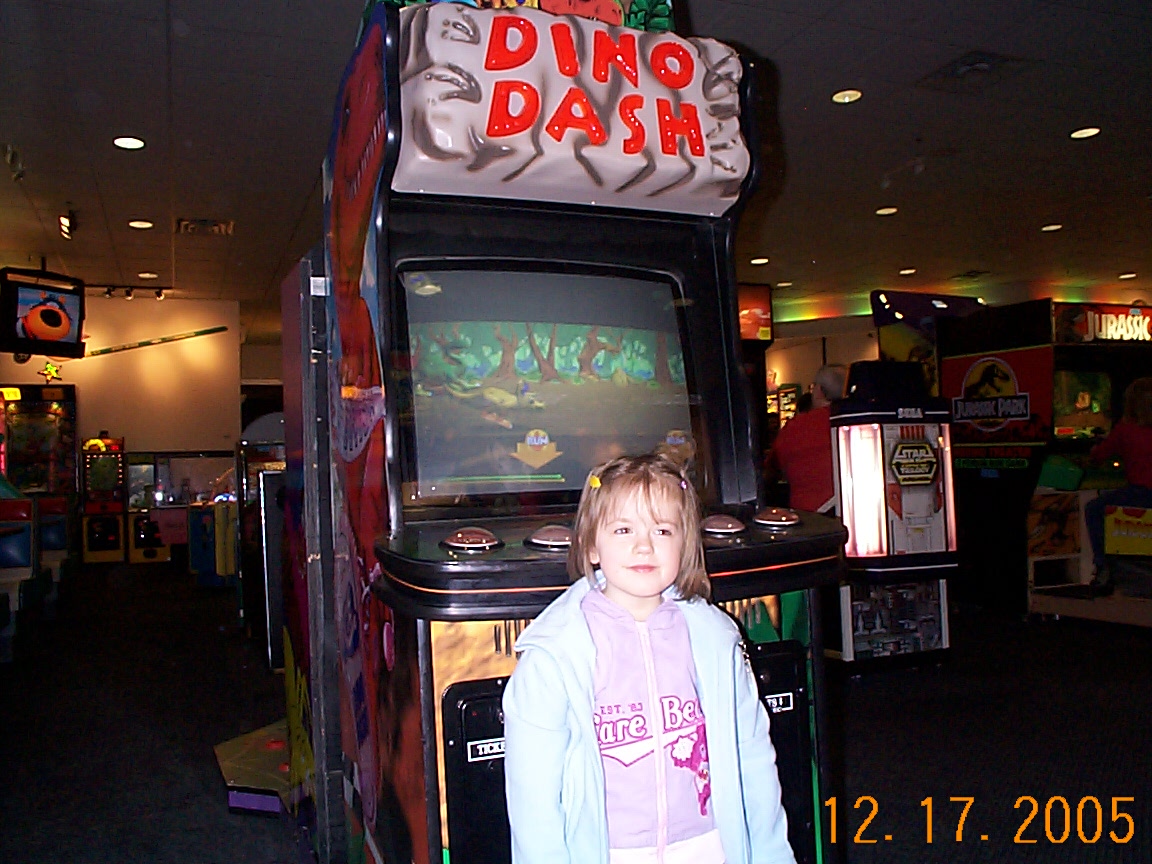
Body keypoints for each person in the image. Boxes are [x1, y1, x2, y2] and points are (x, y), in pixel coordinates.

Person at [503, 452, 796, 864]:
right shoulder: (556, 654)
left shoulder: (715, 641)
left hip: (708, 847)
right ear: (591, 545)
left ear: (685, 543)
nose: (643, 545)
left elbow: (752, 757)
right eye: (623, 529)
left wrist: (771, 854)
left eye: (662, 529)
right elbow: (533, 791)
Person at [1084, 377, 1152, 587]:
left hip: (1141, 494)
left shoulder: (1125, 429)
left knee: (1094, 509)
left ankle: (1103, 567)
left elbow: (1098, 456)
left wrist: (1094, 450)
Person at [764, 365, 847, 513]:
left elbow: (770, 470)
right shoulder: (858, 425)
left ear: (819, 390)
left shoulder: (795, 427)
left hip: (808, 517)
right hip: (854, 514)